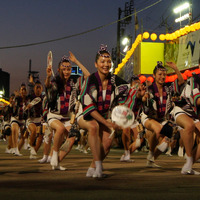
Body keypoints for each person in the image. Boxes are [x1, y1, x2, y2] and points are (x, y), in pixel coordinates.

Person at [80, 44, 129, 178]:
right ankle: (100, 168)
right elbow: (89, 108)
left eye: (108, 61)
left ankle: (92, 168)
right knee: (94, 126)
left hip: (103, 115)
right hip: (84, 114)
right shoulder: (90, 80)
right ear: (96, 64)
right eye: (102, 61)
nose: (105, 64)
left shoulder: (114, 80)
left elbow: (128, 91)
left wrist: (118, 119)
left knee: (107, 143)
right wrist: (107, 123)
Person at [45, 51, 90, 170]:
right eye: (64, 69)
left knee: (71, 140)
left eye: (69, 69)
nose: (66, 71)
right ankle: (53, 155)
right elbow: (48, 86)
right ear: (59, 69)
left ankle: (57, 162)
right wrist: (48, 76)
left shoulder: (74, 83)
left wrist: (76, 62)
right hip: (54, 116)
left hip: (67, 117)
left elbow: (88, 76)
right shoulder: (55, 82)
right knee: (59, 129)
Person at [141, 61, 185, 169]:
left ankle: (151, 159)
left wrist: (175, 68)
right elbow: (144, 102)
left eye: (164, 74)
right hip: (148, 117)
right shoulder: (149, 89)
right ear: (154, 75)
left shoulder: (168, 88)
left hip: (162, 119)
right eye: (160, 74)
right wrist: (144, 98)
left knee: (165, 140)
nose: (162, 77)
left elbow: (181, 81)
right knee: (159, 130)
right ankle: (150, 155)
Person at [120, 75, 146, 162]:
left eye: (139, 82)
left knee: (141, 139)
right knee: (126, 130)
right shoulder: (128, 90)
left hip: (135, 119)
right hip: (126, 116)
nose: (138, 84)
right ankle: (126, 154)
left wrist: (144, 95)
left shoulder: (141, 92)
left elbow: (141, 97)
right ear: (131, 84)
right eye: (135, 82)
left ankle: (126, 155)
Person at [10, 83, 29, 156]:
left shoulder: (28, 99)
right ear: (20, 91)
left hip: (23, 120)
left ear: (26, 91)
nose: (23, 91)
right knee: (15, 130)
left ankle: (17, 149)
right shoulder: (17, 98)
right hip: (15, 117)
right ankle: (15, 149)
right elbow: (12, 106)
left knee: (24, 137)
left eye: (25, 89)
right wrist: (12, 103)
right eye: (22, 89)